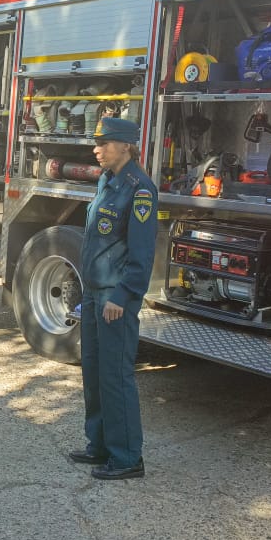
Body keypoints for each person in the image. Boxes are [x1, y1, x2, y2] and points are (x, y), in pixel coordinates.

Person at [68, 117, 157, 481]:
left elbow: (142, 253)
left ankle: (126, 458)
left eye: (103, 143)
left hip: (114, 298)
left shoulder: (140, 189)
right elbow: (96, 241)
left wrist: (123, 294)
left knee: (116, 375)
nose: (96, 149)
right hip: (94, 293)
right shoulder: (107, 182)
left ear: (125, 146)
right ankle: (100, 444)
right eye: (97, 143)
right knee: (93, 370)